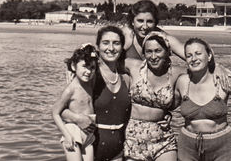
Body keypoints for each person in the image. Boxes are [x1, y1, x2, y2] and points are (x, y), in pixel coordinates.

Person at [174, 38, 231, 161]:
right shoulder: (182, 82)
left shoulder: (224, 80)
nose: (193, 59)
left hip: (222, 145)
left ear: (209, 56)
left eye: (198, 54)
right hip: (188, 145)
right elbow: (169, 104)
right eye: (189, 55)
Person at [62, 26, 131, 161]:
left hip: (118, 152)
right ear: (97, 47)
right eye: (105, 43)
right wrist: (77, 119)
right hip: (91, 150)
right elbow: (62, 110)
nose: (111, 48)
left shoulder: (126, 78)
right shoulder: (89, 77)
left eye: (116, 43)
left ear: (122, 47)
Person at [123, 31, 186, 160]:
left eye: (158, 51)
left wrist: (222, 72)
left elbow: (202, 68)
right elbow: (105, 59)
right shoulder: (134, 67)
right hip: (132, 138)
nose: (153, 56)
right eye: (148, 51)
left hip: (163, 138)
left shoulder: (176, 73)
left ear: (168, 52)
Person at [52, 44, 98, 161]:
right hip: (73, 132)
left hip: (88, 134)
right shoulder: (70, 89)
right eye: (84, 66)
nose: (88, 71)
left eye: (92, 68)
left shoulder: (90, 84)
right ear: (73, 66)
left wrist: (90, 48)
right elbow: (55, 113)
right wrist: (66, 135)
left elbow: (100, 61)